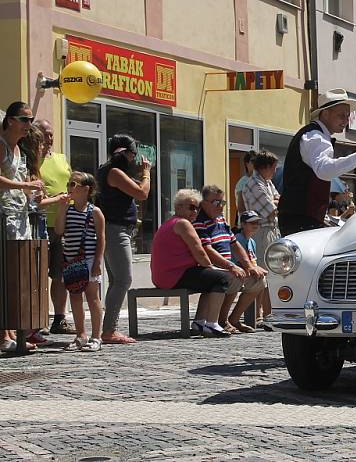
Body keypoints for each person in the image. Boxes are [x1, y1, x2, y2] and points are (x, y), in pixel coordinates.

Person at [278, 89, 356, 235]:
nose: (346, 121)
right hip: (301, 220)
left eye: (347, 116)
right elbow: (324, 171)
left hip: (300, 218)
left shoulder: (314, 135)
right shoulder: (316, 137)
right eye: (341, 115)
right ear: (324, 113)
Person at [150, 189, 231, 337]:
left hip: (166, 275)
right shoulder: (183, 224)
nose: (195, 211)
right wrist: (211, 267)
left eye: (197, 207)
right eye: (191, 207)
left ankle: (200, 322)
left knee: (210, 280)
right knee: (221, 278)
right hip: (174, 275)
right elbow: (199, 252)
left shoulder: (171, 223)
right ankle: (212, 324)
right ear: (178, 207)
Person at [96, 134, 151, 344]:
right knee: (124, 279)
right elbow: (141, 193)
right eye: (132, 155)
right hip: (115, 229)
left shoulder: (109, 170)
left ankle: (109, 327)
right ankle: (109, 330)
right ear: (124, 153)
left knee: (116, 281)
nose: (134, 159)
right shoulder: (114, 171)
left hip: (117, 229)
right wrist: (146, 173)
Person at [0, 102, 46, 353]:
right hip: (3, 216)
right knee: (5, 276)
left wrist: (32, 190)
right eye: (24, 120)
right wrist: (22, 188)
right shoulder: (2, 145)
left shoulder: (19, 149)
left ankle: (12, 332)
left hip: (19, 216)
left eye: (31, 120)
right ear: (10, 121)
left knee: (15, 276)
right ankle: (4, 335)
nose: (29, 124)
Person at [193, 185, 263, 334]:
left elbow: (235, 244)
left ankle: (234, 319)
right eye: (216, 203)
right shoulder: (200, 222)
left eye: (222, 203)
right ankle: (222, 321)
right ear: (204, 203)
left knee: (259, 280)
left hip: (227, 267)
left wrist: (249, 265)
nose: (220, 206)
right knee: (235, 277)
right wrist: (231, 266)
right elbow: (207, 250)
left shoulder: (221, 220)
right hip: (211, 269)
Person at [33, 119, 75, 335]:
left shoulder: (60, 158)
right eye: (44, 134)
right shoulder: (32, 159)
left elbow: (69, 181)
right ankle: (38, 320)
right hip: (40, 223)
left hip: (62, 222)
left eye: (51, 134)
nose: (49, 138)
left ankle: (59, 318)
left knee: (60, 274)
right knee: (38, 275)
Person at [55, 172, 105, 352]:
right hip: (70, 259)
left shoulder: (94, 211)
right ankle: (80, 335)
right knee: (75, 296)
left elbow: (101, 238)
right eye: (68, 184)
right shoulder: (68, 210)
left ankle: (96, 337)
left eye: (73, 184)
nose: (69, 188)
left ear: (85, 189)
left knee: (92, 297)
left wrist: (98, 262)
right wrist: (61, 208)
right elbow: (60, 230)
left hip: (89, 258)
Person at [241, 152, 280, 327]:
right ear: (266, 167)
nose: (275, 171)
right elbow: (271, 209)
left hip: (271, 230)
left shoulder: (267, 182)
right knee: (264, 273)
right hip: (261, 231)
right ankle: (264, 315)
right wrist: (275, 201)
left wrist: (275, 201)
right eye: (273, 167)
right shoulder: (255, 184)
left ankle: (264, 314)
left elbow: (279, 200)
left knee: (270, 273)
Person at [230, 211, 269, 332]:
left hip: (245, 272)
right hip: (236, 272)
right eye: (252, 222)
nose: (255, 225)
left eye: (257, 222)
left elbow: (253, 263)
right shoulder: (238, 239)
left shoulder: (252, 241)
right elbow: (240, 262)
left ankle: (263, 316)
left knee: (263, 279)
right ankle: (255, 317)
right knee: (260, 281)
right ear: (243, 224)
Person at [234, 150, 257, 224]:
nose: (256, 164)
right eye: (253, 161)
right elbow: (240, 207)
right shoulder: (242, 182)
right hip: (247, 224)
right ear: (247, 163)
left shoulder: (260, 180)